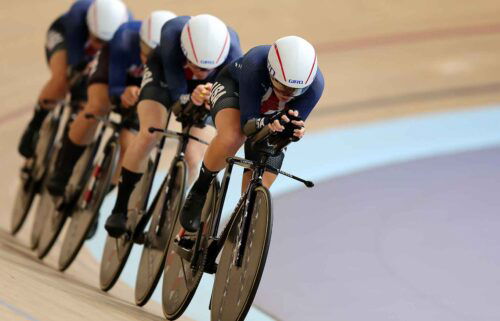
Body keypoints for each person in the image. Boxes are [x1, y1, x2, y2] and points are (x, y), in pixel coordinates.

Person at [104, 14, 243, 237]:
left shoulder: (234, 54)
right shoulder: (171, 34)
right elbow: (177, 97)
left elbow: (231, 100)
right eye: (197, 67)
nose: (202, 73)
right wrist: (189, 97)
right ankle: (119, 208)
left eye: (208, 69)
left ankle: (169, 208)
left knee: (194, 155)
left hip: (206, 90)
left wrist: (209, 99)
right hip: (164, 76)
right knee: (151, 132)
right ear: (186, 52)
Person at [178, 35, 325, 234]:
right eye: (283, 86)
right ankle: (200, 189)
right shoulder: (256, 62)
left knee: (268, 161)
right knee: (234, 135)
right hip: (235, 92)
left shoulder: (315, 86)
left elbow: (290, 125)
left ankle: (242, 214)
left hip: (267, 115)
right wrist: (266, 123)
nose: (288, 94)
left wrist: (294, 132)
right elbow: (248, 124)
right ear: (271, 72)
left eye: (296, 90)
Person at [45, 11, 177, 199]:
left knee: (131, 142)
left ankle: (100, 197)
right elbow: (114, 85)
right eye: (146, 53)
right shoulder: (124, 38)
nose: (149, 61)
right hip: (113, 75)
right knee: (97, 106)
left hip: (145, 87)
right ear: (139, 41)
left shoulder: (174, 59)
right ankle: (63, 172)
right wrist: (121, 92)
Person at [18, 0, 130, 159]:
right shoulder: (78, 16)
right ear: (89, 26)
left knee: (88, 102)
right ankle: (35, 125)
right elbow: (76, 60)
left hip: (94, 48)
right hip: (64, 35)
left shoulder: (125, 29)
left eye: (106, 43)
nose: (100, 46)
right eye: (97, 39)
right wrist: (79, 68)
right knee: (62, 79)